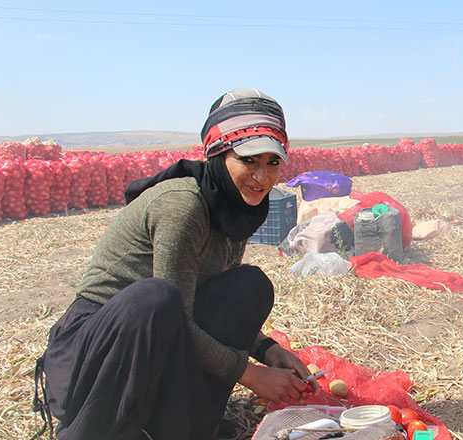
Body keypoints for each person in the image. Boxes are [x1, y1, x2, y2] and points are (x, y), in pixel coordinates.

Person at [33, 88, 318, 440]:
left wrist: (267, 349)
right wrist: (249, 373)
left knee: (250, 286)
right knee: (155, 297)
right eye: (248, 160)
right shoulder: (182, 207)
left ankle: (178, 427)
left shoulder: (236, 209)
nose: (262, 177)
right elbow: (176, 314)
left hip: (158, 343)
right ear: (218, 153)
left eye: (272, 162)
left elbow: (202, 307)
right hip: (97, 361)